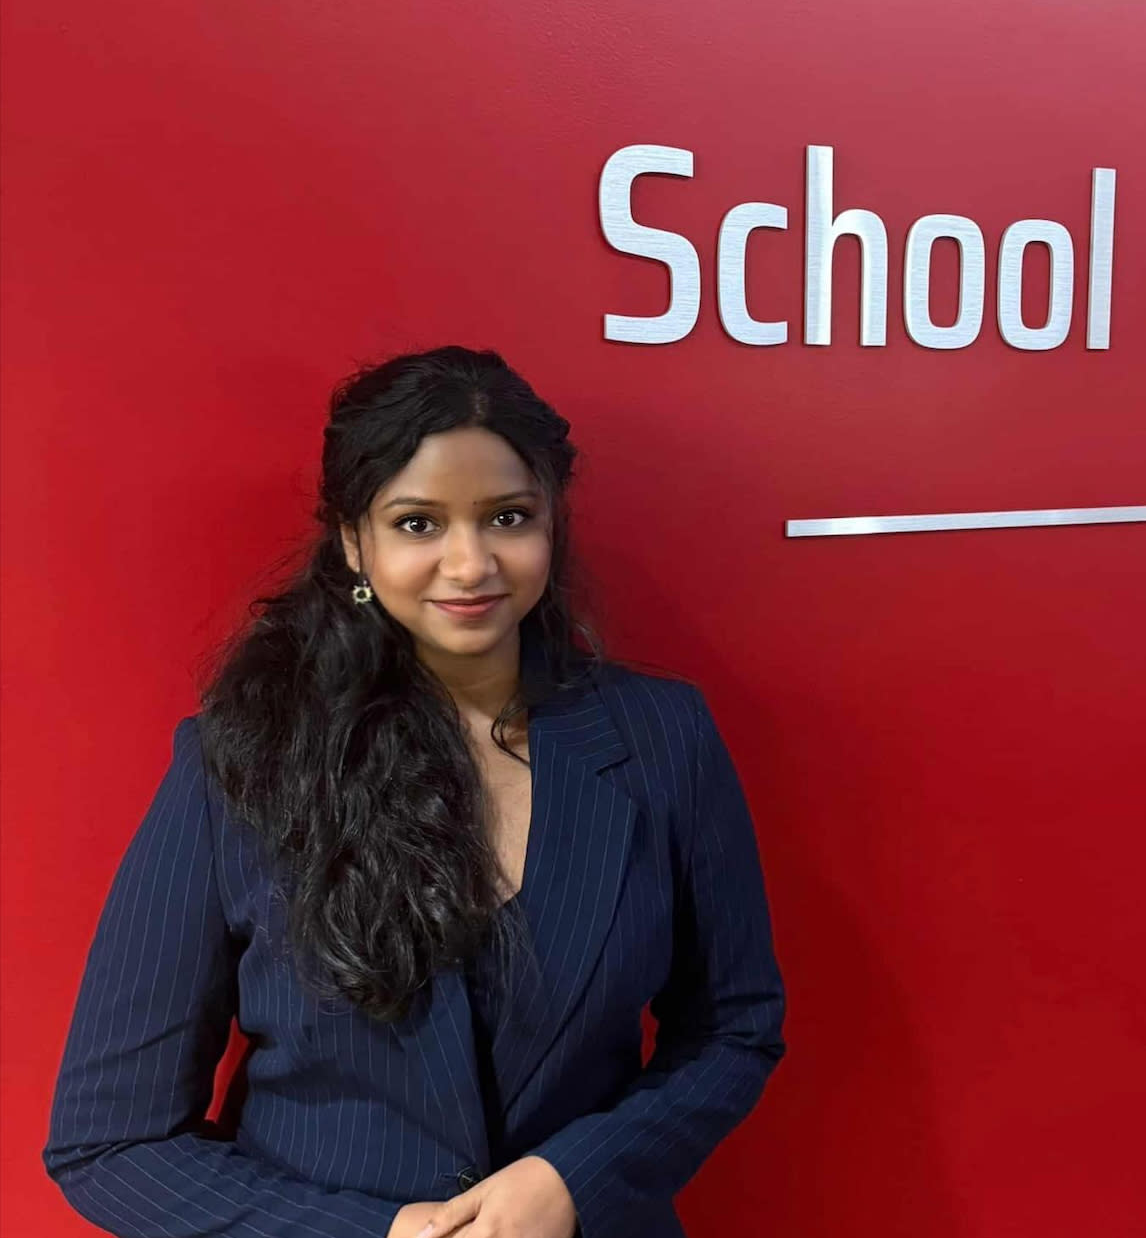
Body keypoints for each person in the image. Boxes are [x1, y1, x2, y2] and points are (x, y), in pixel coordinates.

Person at [42, 345, 787, 1238]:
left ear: (552, 521)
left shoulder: (662, 736)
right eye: (418, 524)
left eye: (507, 516)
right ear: (354, 539)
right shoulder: (239, 765)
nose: (470, 564)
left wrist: (573, 1180)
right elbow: (110, 1144)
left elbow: (734, 1027)